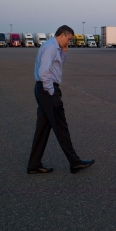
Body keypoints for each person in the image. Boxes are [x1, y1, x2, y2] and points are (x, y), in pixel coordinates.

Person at [27, 25, 94, 174]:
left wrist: (64, 51)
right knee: (61, 127)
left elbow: (58, 66)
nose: (69, 42)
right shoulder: (51, 47)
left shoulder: (56, 48)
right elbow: (44, 72)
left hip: (44, 90)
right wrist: (51, 92)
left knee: (42, 129)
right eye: (68, 39)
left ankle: (34, 164)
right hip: (47, 90)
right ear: (62, 35)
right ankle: (75, 162)